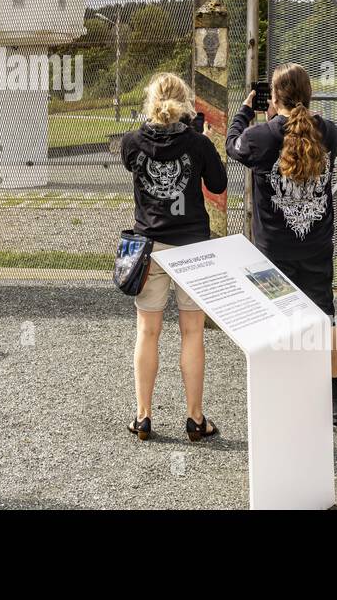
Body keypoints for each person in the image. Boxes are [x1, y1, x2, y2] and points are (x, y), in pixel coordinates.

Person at [226, 63, 337, 426]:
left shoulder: (261, 137)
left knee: (276, 321)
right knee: (325, 319)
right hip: (315, 246)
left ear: (274, 98)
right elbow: (312, 139)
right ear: (309, 96)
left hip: (273, 251)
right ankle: (332, 395)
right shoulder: (330, 132)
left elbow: (233, 146)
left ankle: (282, 392)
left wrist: (247, 111)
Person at [120, 72, 228, 442]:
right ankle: (195, 418)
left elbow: (134, 159)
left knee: (148, 331)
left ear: (151, 102)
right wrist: (201, 139)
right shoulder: (197, 143)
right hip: (192, 248)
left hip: (150, 247)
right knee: (192, 331)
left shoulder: (132, 142)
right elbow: (218, 184)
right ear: (185, 104)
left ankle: (144, 416)